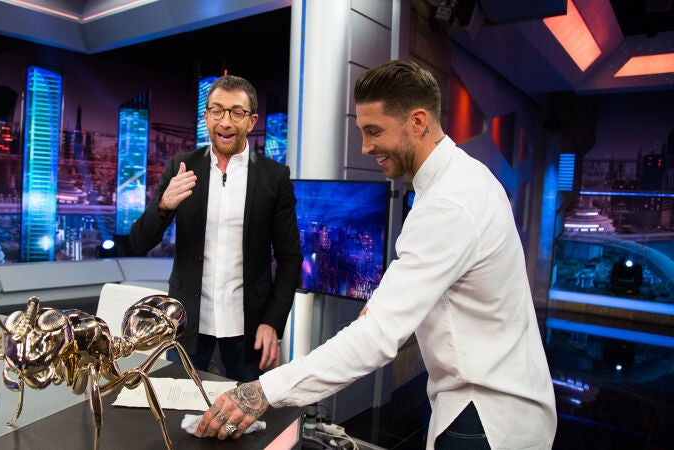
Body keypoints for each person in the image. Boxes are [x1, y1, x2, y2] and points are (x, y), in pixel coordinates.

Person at [195, 60, 557, 449]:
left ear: (418, 122)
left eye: (374, 131)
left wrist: (263, 391)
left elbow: (378, 337)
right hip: (499, 404)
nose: (366, 147)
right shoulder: (465, 178)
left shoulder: (449, 202)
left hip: (484, 417)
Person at [129, 75, 302, 383]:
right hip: (187, 324)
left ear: (251, 121)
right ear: (206, 117)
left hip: (249, 328)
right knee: (179, 405)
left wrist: (273, 323)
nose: (226, 121)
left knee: (246, 409)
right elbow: (139, 241)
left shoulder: (274, 177)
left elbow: (290, 257)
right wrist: (164, 205)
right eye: (218, 111)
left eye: (237, 112)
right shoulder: (181, 167)